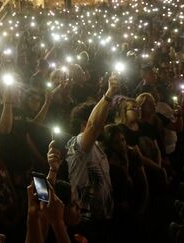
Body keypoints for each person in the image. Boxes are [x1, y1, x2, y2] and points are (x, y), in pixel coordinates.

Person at [65, 74, 118, 243]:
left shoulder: (97, 148)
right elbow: (93, 126)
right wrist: (109, 93)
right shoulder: (78, 146)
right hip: (85, 220)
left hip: (102, 216)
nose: (103, 124)